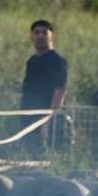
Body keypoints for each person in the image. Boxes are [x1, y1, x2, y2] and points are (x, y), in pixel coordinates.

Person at [20, 19, 69, 151]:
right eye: (36, 33)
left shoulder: (57, 61)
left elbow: (60, 90)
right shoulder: (32, 61)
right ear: (32, 37)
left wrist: (48, 119)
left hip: (47, 119)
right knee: (30, 156)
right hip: (28, 116)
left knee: (46, 155)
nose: (40, 36)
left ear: (52, 37)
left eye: (44, 32)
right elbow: (32, 87)